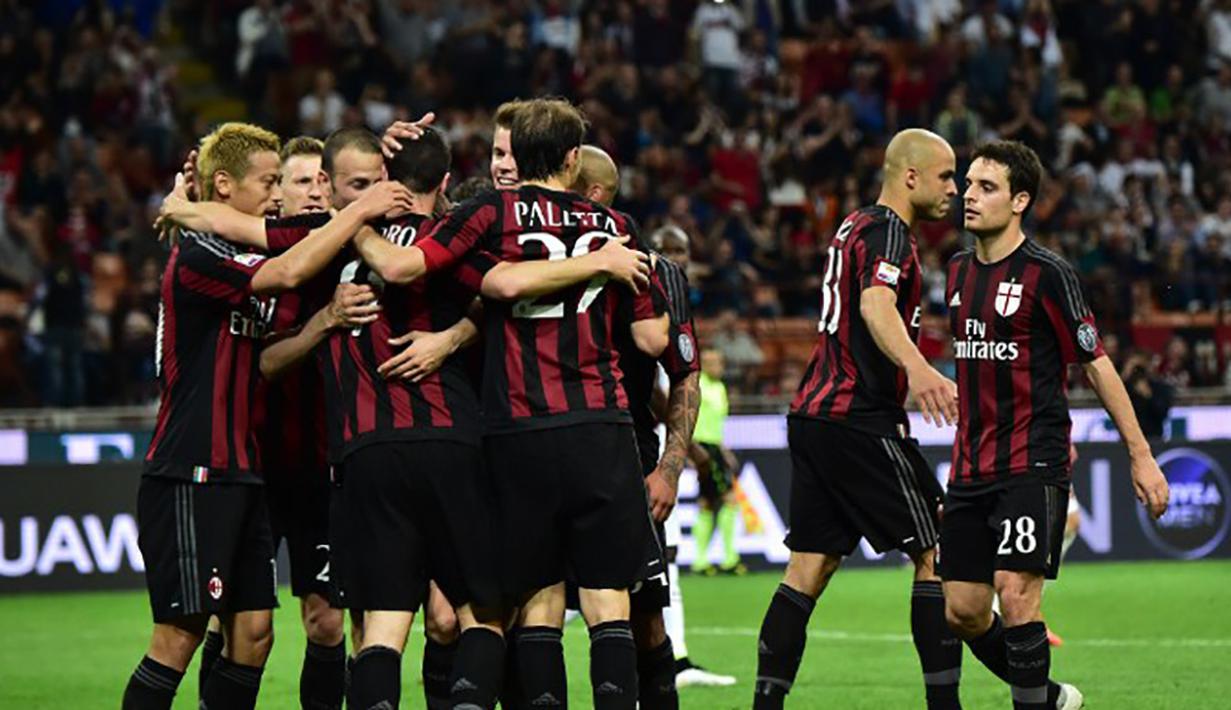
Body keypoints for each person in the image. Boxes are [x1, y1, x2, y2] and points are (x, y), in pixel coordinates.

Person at [353, 98, 669, 709]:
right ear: (574, 159)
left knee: (537, 604)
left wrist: (351, 217)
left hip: (519, 430)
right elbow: (651, 337)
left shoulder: (490, 212)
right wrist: (600, 265)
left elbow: (401, 263)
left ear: (515, 154)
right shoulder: (619, 228)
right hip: (603, 428)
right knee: (609, 606)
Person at [122, 122, 412, 710]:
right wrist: (357, 214)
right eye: (270, 181)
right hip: (192, 468)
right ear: (225, 184)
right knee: (179, 638)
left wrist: (384, 157)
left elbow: (306, 239)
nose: (279, 193)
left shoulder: (239, 246)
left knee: (253, 636)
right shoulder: (199, 254)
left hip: (245, 473)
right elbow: (287, 271)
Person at [941, 139, 1171, 710]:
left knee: (1016, 596)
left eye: (986, 187)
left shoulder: (1050, 275)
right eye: (968, 184)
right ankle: (1049, 698)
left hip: (1032, 461)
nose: (969, 196)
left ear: (1020, 200)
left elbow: (1097, 365)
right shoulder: (956, 272)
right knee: (964, 611)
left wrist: (1139, 454)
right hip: (970, 466)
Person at [753, 128, 963, 710]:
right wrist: (920, 370)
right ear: (911, 176)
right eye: (946, 175)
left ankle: (764, 705)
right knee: (939, 547)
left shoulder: (855, 226)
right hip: (858, 416)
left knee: (809, 569)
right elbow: (876, 303)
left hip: (814, 415)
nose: (955, 187)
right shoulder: (890, 231)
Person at [570, 144, 702, 708]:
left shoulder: (656, 274)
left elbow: (684, 377)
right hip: (540, 447)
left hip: (626, 456)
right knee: (530, 613)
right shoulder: (525, 258)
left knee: (645, 615)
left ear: (595, 195)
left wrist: (669, 468)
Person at [652, 226, 738, 688]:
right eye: (666, 250)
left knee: (665, 556)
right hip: (636, 449)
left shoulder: (677, 304)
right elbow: (649, 387)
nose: (676, 259)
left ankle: (677, 659)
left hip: (658, 449)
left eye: (682, 250)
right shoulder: (644, 297)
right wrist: (687, 447)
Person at [689, 347, 744, 576]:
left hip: (715, 447)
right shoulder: (695, 386)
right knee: (729, 500)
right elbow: (686, 418)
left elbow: (715, 423)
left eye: (719, 362)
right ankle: (729, 559)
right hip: (702, 447)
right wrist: (689, 452)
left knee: (707, 503)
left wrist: (724, 450)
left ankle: (701, 562)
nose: (716, 367)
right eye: (711, 362)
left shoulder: (720, 387)